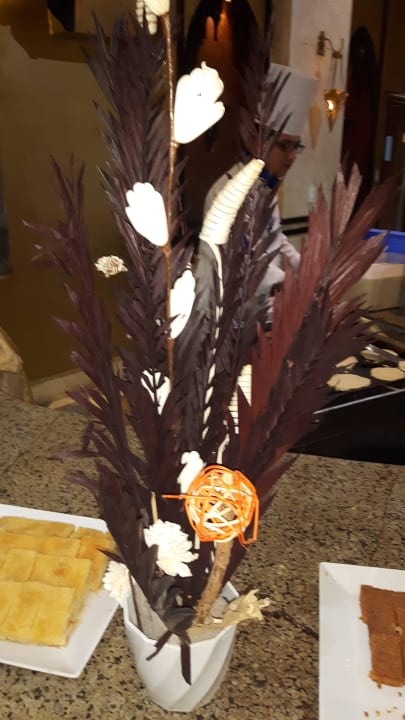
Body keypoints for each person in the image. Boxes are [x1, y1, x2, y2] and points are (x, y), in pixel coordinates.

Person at [199, 64, 317, 324]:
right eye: (285, 145)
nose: (292, 156)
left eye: (296, 146)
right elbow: (243, 264)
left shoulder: (265, 189)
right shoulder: (228, 194)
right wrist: (293, 285)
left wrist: (307, 267)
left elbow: (275, 240)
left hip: (262, 313)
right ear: (259, 142)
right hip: (227, 321)